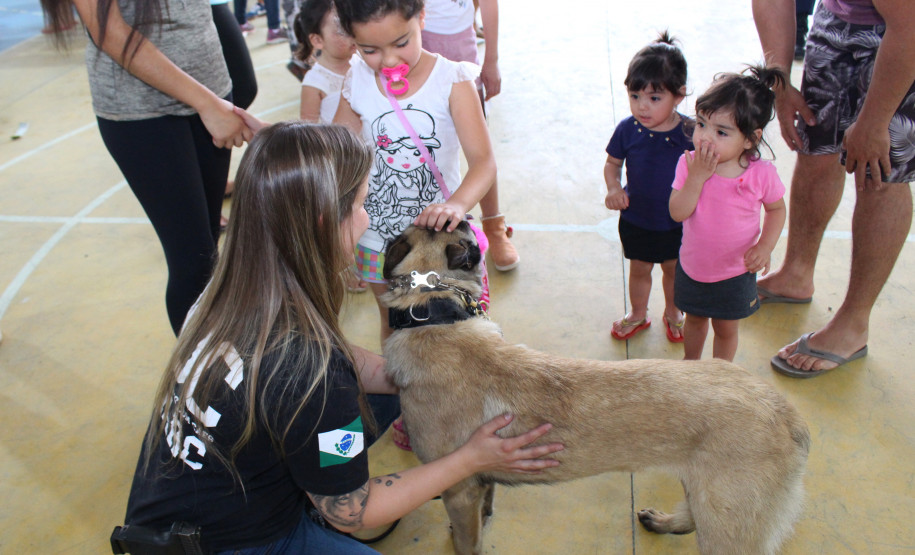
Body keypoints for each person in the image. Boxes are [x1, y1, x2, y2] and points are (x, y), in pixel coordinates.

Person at [121, 122, 562, 553]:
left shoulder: (235, 286)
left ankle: (311, 488)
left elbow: (343, 357)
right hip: (231, 540)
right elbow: (353, 511)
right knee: (351, 502)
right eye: (362, 204)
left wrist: (426, 371)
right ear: (322, 221)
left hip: (179, 504)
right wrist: (472, 458)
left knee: (390, 395)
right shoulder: (308, 372)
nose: (367, 218)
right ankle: (310, 506)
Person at [40, 0, 252, 335]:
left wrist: (218, 96)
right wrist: (207, 102)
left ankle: (218, 358)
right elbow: (108, 30)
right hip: (144, 112)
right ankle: (198, 379)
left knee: (208, 246)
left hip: (210, 93)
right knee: (192, 261)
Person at [753, 0, 915, 377]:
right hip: (837, 17)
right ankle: (796, 273)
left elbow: (909, 25)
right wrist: (779, 81)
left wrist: (874, 123)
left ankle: (853, 323)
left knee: (879, 171)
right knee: (814, 145)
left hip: (903, 33)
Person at [332, 0, 498, 343]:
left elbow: (483, 163)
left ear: (422, 16)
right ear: (352, 40)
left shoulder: (452, 80)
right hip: (376, 241)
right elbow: (335, 152)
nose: (389, 60)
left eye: (401, 43)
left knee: (453, 325)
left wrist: (456, 204)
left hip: (437, 245)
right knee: (395, 328)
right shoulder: (356, 80)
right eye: (370, 50)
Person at [669, 67, 788, 362]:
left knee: (725, 328)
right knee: (695, 322)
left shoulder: (761, 174)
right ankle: (691, 367)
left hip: (735, 271)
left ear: (750, 138)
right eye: (701, 124)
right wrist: (697, 178)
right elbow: (676, 212)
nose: (705, 138)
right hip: (694, 266)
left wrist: (765, 246)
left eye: (721, 132)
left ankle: (721, 376)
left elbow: (776, 209)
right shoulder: (688, 164)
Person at [604, 32, 692, 343]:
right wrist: (614, 188)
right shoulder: (628, 129)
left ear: (679, 95)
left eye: (655, 98)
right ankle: (638, 314)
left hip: (676, 221)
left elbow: (711, 170)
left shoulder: (691, 132)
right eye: (635, 96)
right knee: (639, 269)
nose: (642, 107)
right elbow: (613, 164)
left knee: (673, 271)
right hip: (637, 217)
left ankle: (674, 312)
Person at [421, 0, 520, 271]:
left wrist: (491, 59)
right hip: (414, 49)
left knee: (479, 146)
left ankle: (493, 225)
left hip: (460, 52)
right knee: (426, 145)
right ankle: (429, 230)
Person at [294, 0, 367, 293]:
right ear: (316, 40)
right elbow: (308, 130)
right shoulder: (315, 80)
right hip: (335, 164)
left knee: (363, 213)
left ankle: (368, 255)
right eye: (339, 29)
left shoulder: (364, 63)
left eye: (350, 25)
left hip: (365, 154)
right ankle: (343, 265)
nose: (350, 35)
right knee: (340, 219)